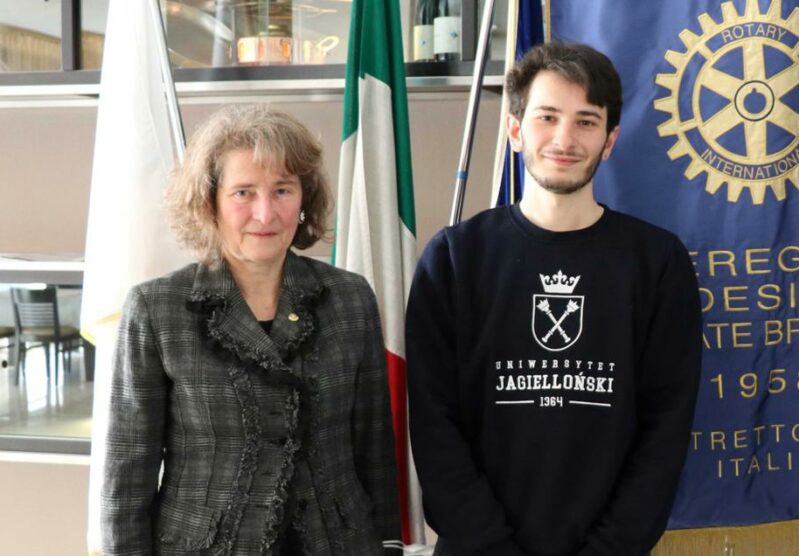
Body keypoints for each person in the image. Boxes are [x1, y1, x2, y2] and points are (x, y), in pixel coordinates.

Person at [406, 42, 702, 555]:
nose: (565, 139)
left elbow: (665, 433)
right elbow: (434, 429)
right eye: (548, 117)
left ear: (610, 141)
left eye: (587, 122)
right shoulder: (454, 259)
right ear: (516, 128)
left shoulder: (658, 263)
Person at [100, 105, 400, 554]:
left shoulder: (351, 298)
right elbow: (128, 473)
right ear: (210, 202)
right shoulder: (157, 309)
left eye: (283, 190)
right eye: (243, 192)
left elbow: (373, 448)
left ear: (304, 200)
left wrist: (390, 544)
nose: (266, 213)